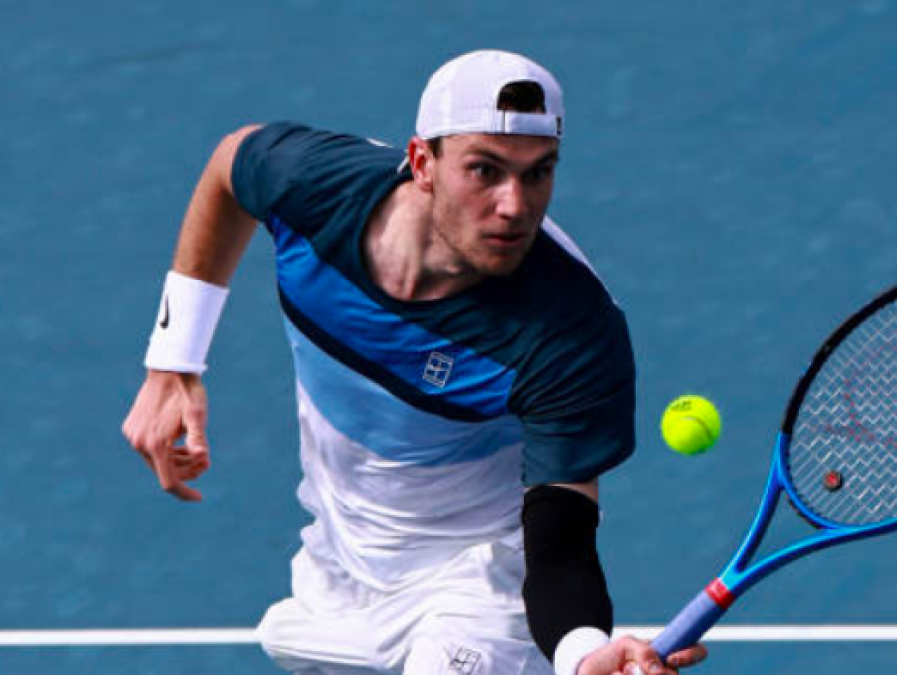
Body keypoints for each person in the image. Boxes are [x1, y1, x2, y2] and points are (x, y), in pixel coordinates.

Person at [120, 50, 708, 675]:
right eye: (485, 170)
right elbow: (231, 164)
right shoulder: (314, 189)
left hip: (479, 584)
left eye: (538, 174)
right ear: (423, 163)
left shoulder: (570, 332)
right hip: (339, 571)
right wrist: (174, 361)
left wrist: (582, 651)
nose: (514, 205)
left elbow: (561, 538)